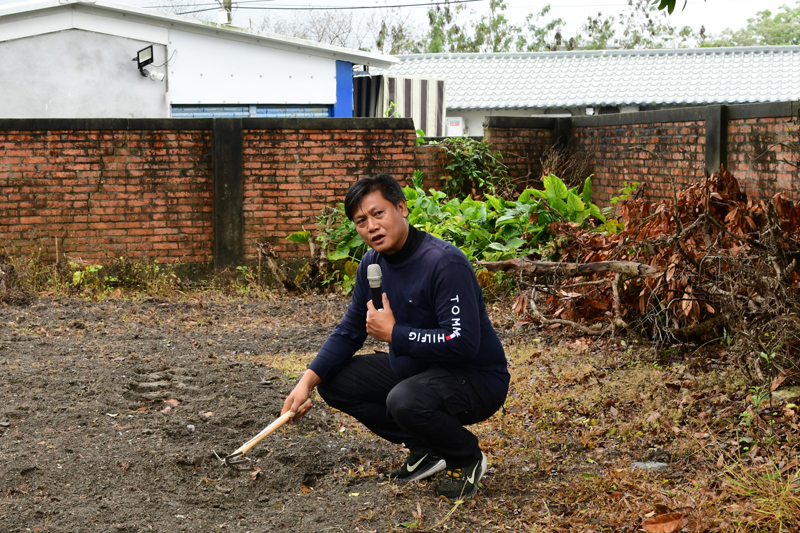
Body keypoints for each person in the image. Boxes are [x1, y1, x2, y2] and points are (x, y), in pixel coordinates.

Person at [281, 173, 509, 500]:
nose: (371, 226)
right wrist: (305, 384)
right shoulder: (372, 265)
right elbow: (349, 331)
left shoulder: (444, 263)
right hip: (418, 372)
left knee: (404, 400)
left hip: (475, 378)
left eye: (378, 213)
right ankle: (426, 449)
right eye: (361, 221)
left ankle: (465, 456)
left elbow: (462, 343)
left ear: (401, 208)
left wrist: (394, 333)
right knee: (332, 381)